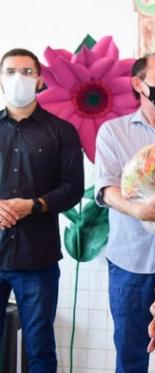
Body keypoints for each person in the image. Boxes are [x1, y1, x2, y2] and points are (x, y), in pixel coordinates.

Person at [94, 52, 155, 372]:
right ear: (139, 84)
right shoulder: (113, 132)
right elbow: (106, 189)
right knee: (131, 353)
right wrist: (140, 210)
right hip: (129, 263)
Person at [0, 48, 84, 373]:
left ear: (39, 80)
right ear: (1, 79)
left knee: (40, 349)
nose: (18, 78)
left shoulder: (61, 132)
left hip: (37, 259)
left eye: (26, 71)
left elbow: (72, 188)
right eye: (10, 71)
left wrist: (33, 206)